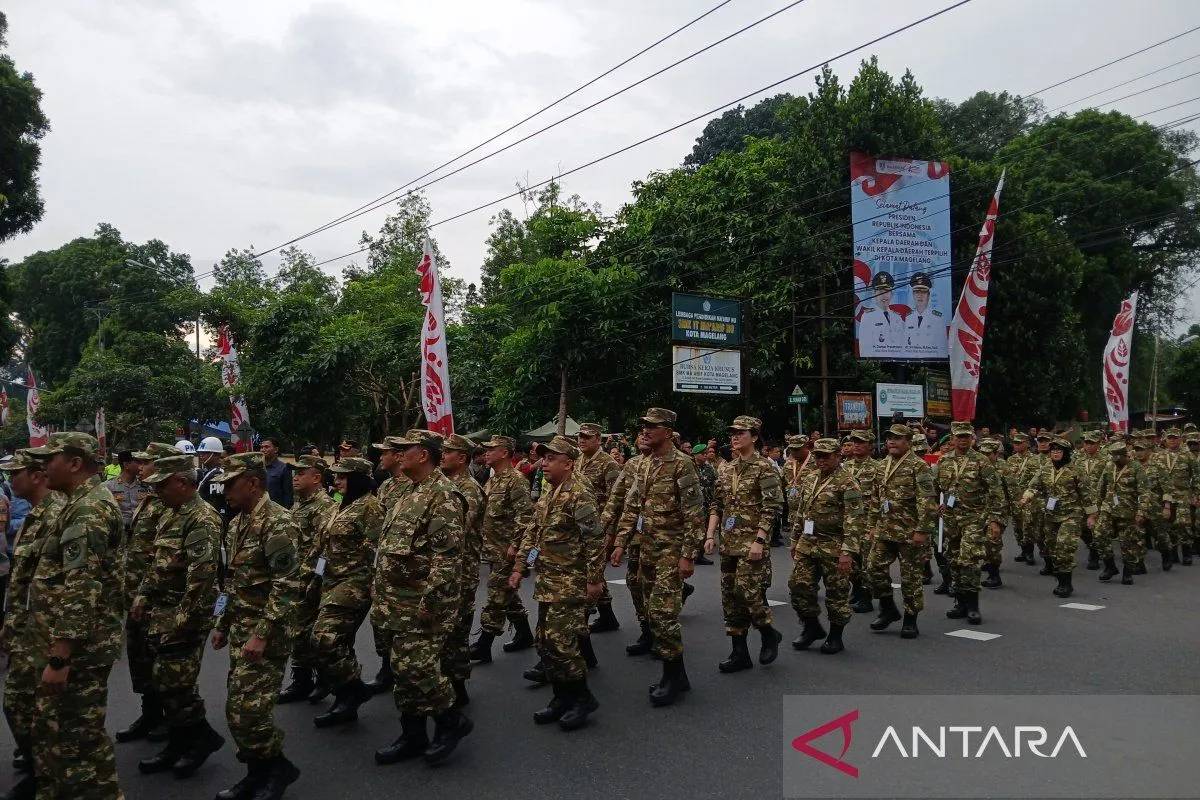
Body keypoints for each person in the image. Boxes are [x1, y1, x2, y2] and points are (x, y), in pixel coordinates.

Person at [26, 432, 125, 800]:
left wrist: (60, 654)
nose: (42, 466)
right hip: (76, 642)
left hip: (81, 648)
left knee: (75, 740)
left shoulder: (88, 510)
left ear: (74, 463)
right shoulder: (77, 502)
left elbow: (82, 587)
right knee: (67, 736)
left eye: (50, 458)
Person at [372, 430, 472, 766]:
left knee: (418, 667)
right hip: (396, 601)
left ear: (424, 455)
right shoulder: (408, 491)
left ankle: (450, 721)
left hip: (422, 603)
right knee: (402, 671)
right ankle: (412, 734)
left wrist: (431, 601)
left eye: (405, 449)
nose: (398, 454)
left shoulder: (443, 495)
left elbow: (447, 558)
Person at [210, 451, 306, 800]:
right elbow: (235, 580)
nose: (224, 492)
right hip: (243, 629)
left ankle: (276, 770)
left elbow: (287, 586)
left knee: (248, 710)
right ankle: (259, 771)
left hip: (267, 633)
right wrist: (224, 621)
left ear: (252, 483)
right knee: (239, 709)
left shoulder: (278, 523)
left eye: (230, 484)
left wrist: (261, 634)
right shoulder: (239, 522)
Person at [131, 454, 225, 779]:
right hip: (163, 611)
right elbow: (158, 562)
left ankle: (198, 740)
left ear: (182, 483)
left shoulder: (201, 518)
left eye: (162, 484)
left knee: (176, 681)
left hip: (186, 615)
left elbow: (201, 579)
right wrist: (143, 594)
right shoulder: (172, 514)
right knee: (165, 681)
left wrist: (181, 621)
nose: (156, 491)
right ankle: (180, 741)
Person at [611, 407, 705, 707]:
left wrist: (688, 555)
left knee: (664, 615)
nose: (646, 431)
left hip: (671, 551)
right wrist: (620, 542)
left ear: (668, 431)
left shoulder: (682, 465)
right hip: (647, 548)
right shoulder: (643, 464)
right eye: (644, 426)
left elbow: (694, 514)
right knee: (652, 613)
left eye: (653, 426)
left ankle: (673, 675)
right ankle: (678, 676)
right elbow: (632, 506)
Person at [509, 435, 603, 730]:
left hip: (570, 582)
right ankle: (561, 698)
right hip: (548, 580)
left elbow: (595, 540)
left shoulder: (579, 494)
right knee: (545, 642)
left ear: (569, 464)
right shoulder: (549, 493)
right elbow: (532, 532)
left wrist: (594, 580)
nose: (544, 463)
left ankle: (582, 698)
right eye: (544, 458)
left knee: (563, 644)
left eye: (551, 459)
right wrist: (518, 566)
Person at [0, 450, 65, 799]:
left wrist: (62, 650)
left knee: (46, 711)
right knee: (16, 704)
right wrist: (9, 627)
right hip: (27, 627)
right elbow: (23, 581)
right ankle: (39, 764)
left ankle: (49, 776)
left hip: (49, 633)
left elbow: (74, 584)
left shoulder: (59, 515)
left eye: (17, 473)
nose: (12, 480)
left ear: (38, 475)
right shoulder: (37, 516)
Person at [307, 457, 382, 729]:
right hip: (329, 580)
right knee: (341, 641)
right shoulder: (340, 503)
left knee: (324, 638)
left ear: (358, 479)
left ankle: (354, 688)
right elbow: (324, 547)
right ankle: (345, 700)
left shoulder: (370, 507)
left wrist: (374, 585)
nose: (336, 481)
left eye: (343, 476)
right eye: (335, 476)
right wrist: (313, 576)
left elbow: (377, 551)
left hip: (355, 582)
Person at [705, 415, 784, 673]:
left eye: (741, 432)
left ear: (754, 436)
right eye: (732, 433)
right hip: (729, 543)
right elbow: (717, 503)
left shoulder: (765, 467)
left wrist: (760, 539)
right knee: (730, 597)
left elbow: (772, 506)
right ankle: (739, 652)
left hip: (752, 542)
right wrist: (710, 535)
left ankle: (768, 631)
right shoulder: (726, 469)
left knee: (748, 592)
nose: (735, 437)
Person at [117, 441, 183, 746]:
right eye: (139, 463)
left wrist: (149, 594)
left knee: (160, 660)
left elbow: (166, 557)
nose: (139, 467)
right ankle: (150, 712)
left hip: (156, 597)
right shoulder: (148, 499)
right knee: (140, 657)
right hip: (136, 593)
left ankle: (172, 720)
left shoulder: (167, 505)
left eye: (146, 463)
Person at [788, 437, 865, 655]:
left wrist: (847, 552)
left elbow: (854, 519)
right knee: (798, 586)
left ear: (838, 456)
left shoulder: (847, 482)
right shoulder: (810, 477)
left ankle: (835, 635)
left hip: (834, 546)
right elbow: (802, 512)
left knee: (837, 593)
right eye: (817, 456)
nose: (820, 460)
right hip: (808, 543)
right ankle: (811, 627)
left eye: (825, 456)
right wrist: (795, 539)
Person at [469, 435, 535, 663]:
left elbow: (525, 516)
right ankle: (525, 635)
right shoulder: (493, 479)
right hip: (493, 548)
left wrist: (516, 545)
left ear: (505, 453)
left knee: (497, 595)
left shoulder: (515, 480)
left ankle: (483, 644)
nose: (486, 452)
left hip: (508, 550)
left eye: (491, 449)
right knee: (508, 593)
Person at [278, 455, 337, 706]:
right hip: (295, 577)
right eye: (295, 472)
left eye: (302, 473)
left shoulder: (325, 506)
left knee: (311, 632)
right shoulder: (299, 504)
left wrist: (313, 578)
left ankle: (323, 679)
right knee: (297, 631)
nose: (295, 477)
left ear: (316, 478)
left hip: (311, 578)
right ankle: (302, 679)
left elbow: (323, 548)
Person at [867, 424, 936, 638]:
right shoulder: (882, 465)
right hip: (885, 530)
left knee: (910, 578)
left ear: (908, 442)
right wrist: (871, 525)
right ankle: (888, 609)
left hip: (909, 533)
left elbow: (928, 501)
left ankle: (910, 618)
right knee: (873, 568)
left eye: (897, 438)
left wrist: (922, 530)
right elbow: (876, 499)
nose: (891, 442)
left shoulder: (918, 466)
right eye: (889, 438)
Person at [935, 422, 1004, 625]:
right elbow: (933, 487)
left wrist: (995, 520)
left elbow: (996, 491)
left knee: (970, 559)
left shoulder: (982, 461)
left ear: (972, 438)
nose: (963, 440)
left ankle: (973, 606)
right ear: (953, 439)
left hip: (975, 518)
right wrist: (934, 505)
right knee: (954, 560)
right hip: (951, 519)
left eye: (967, 436)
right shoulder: (944, 461)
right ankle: (960, 603)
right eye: (959, 436)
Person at [439, 435, 486, 709]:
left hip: (462, 570)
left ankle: (458, 686)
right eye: (443, 451)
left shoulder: (469, 489)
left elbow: (458, 528)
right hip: (448, 569)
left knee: (457, 629)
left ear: (463, 458)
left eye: (449, 452)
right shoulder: (446, 485)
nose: (443, 455)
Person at [1019, 436, 1098, 599]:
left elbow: (1087, 494)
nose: (1055, 453)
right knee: (1051, 547)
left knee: (1064, 546)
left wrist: (1091, 515)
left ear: (1066, 453)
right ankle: (1059, 574)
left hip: (1071, 515)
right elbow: (1034, 486)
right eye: (1053, 450)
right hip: (1051, 514)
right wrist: (1026, 497)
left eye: (1059, 450)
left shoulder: (1076, 470)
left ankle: (1065, 584)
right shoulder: (1046, 469)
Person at [364, 435, 414, 694]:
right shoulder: (386, 487)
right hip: (384, 562)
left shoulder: (414, 487)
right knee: (380, 619)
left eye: (385, 453)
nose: (380, 457)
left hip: (407, 567)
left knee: (404, 623)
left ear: (397, 456)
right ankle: (387, 666)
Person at [602, 434, 652, 656]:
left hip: (663, 539)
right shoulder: (632, 464)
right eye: (640, 432)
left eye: (648, 431)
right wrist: (604, 530)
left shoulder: (677, 463)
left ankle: (663, 634)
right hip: (635, 535)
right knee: (634, 581)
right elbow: (617, 498)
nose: (643, 435)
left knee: (658, 587)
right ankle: (647, 628)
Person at [573, 423, 621, 634]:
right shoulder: (578, 461)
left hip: (600, 527)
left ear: (598, 440)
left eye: (586, 437)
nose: (581, 440)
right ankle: (608, 617)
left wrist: (611, 533)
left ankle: (579, 623)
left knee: (591, 573)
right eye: (580, 436)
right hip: (581, 527)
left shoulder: (608, 464)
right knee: (593, 572)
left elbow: (616, 499)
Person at [1093, 441, 1151, 585]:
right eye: (1113, 457)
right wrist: (1094, 511)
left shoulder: (1136, 467)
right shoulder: (1109, 466)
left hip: (1128, 511)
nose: (1116, 461)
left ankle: (1127, 572)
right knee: (1099, 534)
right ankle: (1110, 566)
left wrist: (1141, 512)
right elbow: (1100, 489)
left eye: (1119, 458)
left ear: (1125, 455)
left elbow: (1145, 492)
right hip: (1108, 508)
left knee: (1128, 543)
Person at [844, 431, 877, 614]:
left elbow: (880, 497)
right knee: (852, 561)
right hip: (849, 522)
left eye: (861, 442)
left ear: (871, 446)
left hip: (866, 521)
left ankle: (867, 596)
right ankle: (856, 588)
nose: (856, 445)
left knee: (866, 561)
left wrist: (875, 524)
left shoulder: (876, 468)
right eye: (854, 442)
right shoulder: (845, 467)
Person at [1005, 433, 1038, 565]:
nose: (1017, 445)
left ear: (1027, 444)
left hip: (1028, 498)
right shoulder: (1011, 460)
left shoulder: (1035, 459)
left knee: (1028, 525)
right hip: (1014, 498)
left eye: (1020, 443)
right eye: (1015, 443)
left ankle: (1030, 552)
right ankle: (1023, 550)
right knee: (1017, 526)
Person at [859, 271, 904, 350]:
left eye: (887, 291)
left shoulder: (898, 318)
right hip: (877, 362)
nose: (884, 295)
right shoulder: (867, 317)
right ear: (874, 293)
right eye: (880, 291)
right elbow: (865, 348)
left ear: (891, 294)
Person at [102, 450, 144, 529]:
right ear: (127, 465)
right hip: (119, 533)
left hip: (140, 533)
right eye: (138, 462)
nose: (142, 466)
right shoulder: (108, 487)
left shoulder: (146, 486)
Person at [903, 272, 944, 352]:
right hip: (910, 360)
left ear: (928, 295)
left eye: (923, 292)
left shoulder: (937, 319)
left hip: (931, 360)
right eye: (917, 292)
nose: (920, 295)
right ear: (913, 295)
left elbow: (941, 346)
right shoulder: (907, 318)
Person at [692, 442, 717, 565]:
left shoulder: (709, 468)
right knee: (692, 530)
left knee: (704, 529)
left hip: (706, 504)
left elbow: (715, 484)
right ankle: (689, 555)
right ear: (695, 455)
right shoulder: (689, 467)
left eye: (706, 453)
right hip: (693, 505)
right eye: (702, 454)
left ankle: (700, 555)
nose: (705, 456)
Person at [196, 436, 229, 522]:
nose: (201, 456)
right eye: (200, 453)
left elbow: (217, 503)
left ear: (215, 454)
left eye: (205, 453)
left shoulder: (218, 475)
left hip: (213, 519)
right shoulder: (205, 472)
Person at [260, 438, 294, 509]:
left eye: (266, 447)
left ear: (276, 450)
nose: (263, 450)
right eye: (262, 447)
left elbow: (288, 495)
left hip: (276, 513)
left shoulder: (284, 468)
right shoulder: (258, 468)